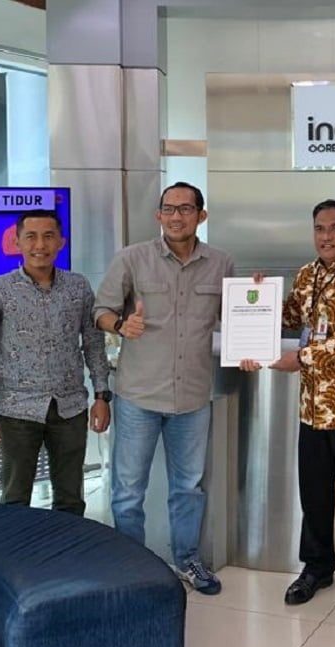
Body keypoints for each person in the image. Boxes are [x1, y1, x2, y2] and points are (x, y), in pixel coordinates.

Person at [241, 199, 335, 619]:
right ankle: (317, 567)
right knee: (314, 495)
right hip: (314, 409)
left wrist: (301, 359)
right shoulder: (309, 274)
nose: (326, 236)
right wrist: (257, 301)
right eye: (319, 228)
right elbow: (292, 316)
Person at [94, 182, 234, 595]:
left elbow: (236, 318)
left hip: (193, 397)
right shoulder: (132, 258)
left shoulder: (221, 263)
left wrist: (255, 300)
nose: (176, 216)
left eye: (186, 209)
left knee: (188, 489)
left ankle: (188, 560)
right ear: (158, 215)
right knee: (128, 490)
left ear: (201, 216)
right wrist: (121, 325)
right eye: (169, 209)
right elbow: (101, 310)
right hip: (138, 394)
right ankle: (131, 568)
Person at [0, 209, 111, 516]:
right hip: (18, 409)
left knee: (70, 498)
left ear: (61, 242)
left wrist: (101, 395)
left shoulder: (78, 287)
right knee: (16, 498)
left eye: (48, 236)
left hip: (70, 407)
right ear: (17, 242)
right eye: (31, 237)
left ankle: (66, 546)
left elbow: (93, 343)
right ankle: (16, 548)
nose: (40, 245)